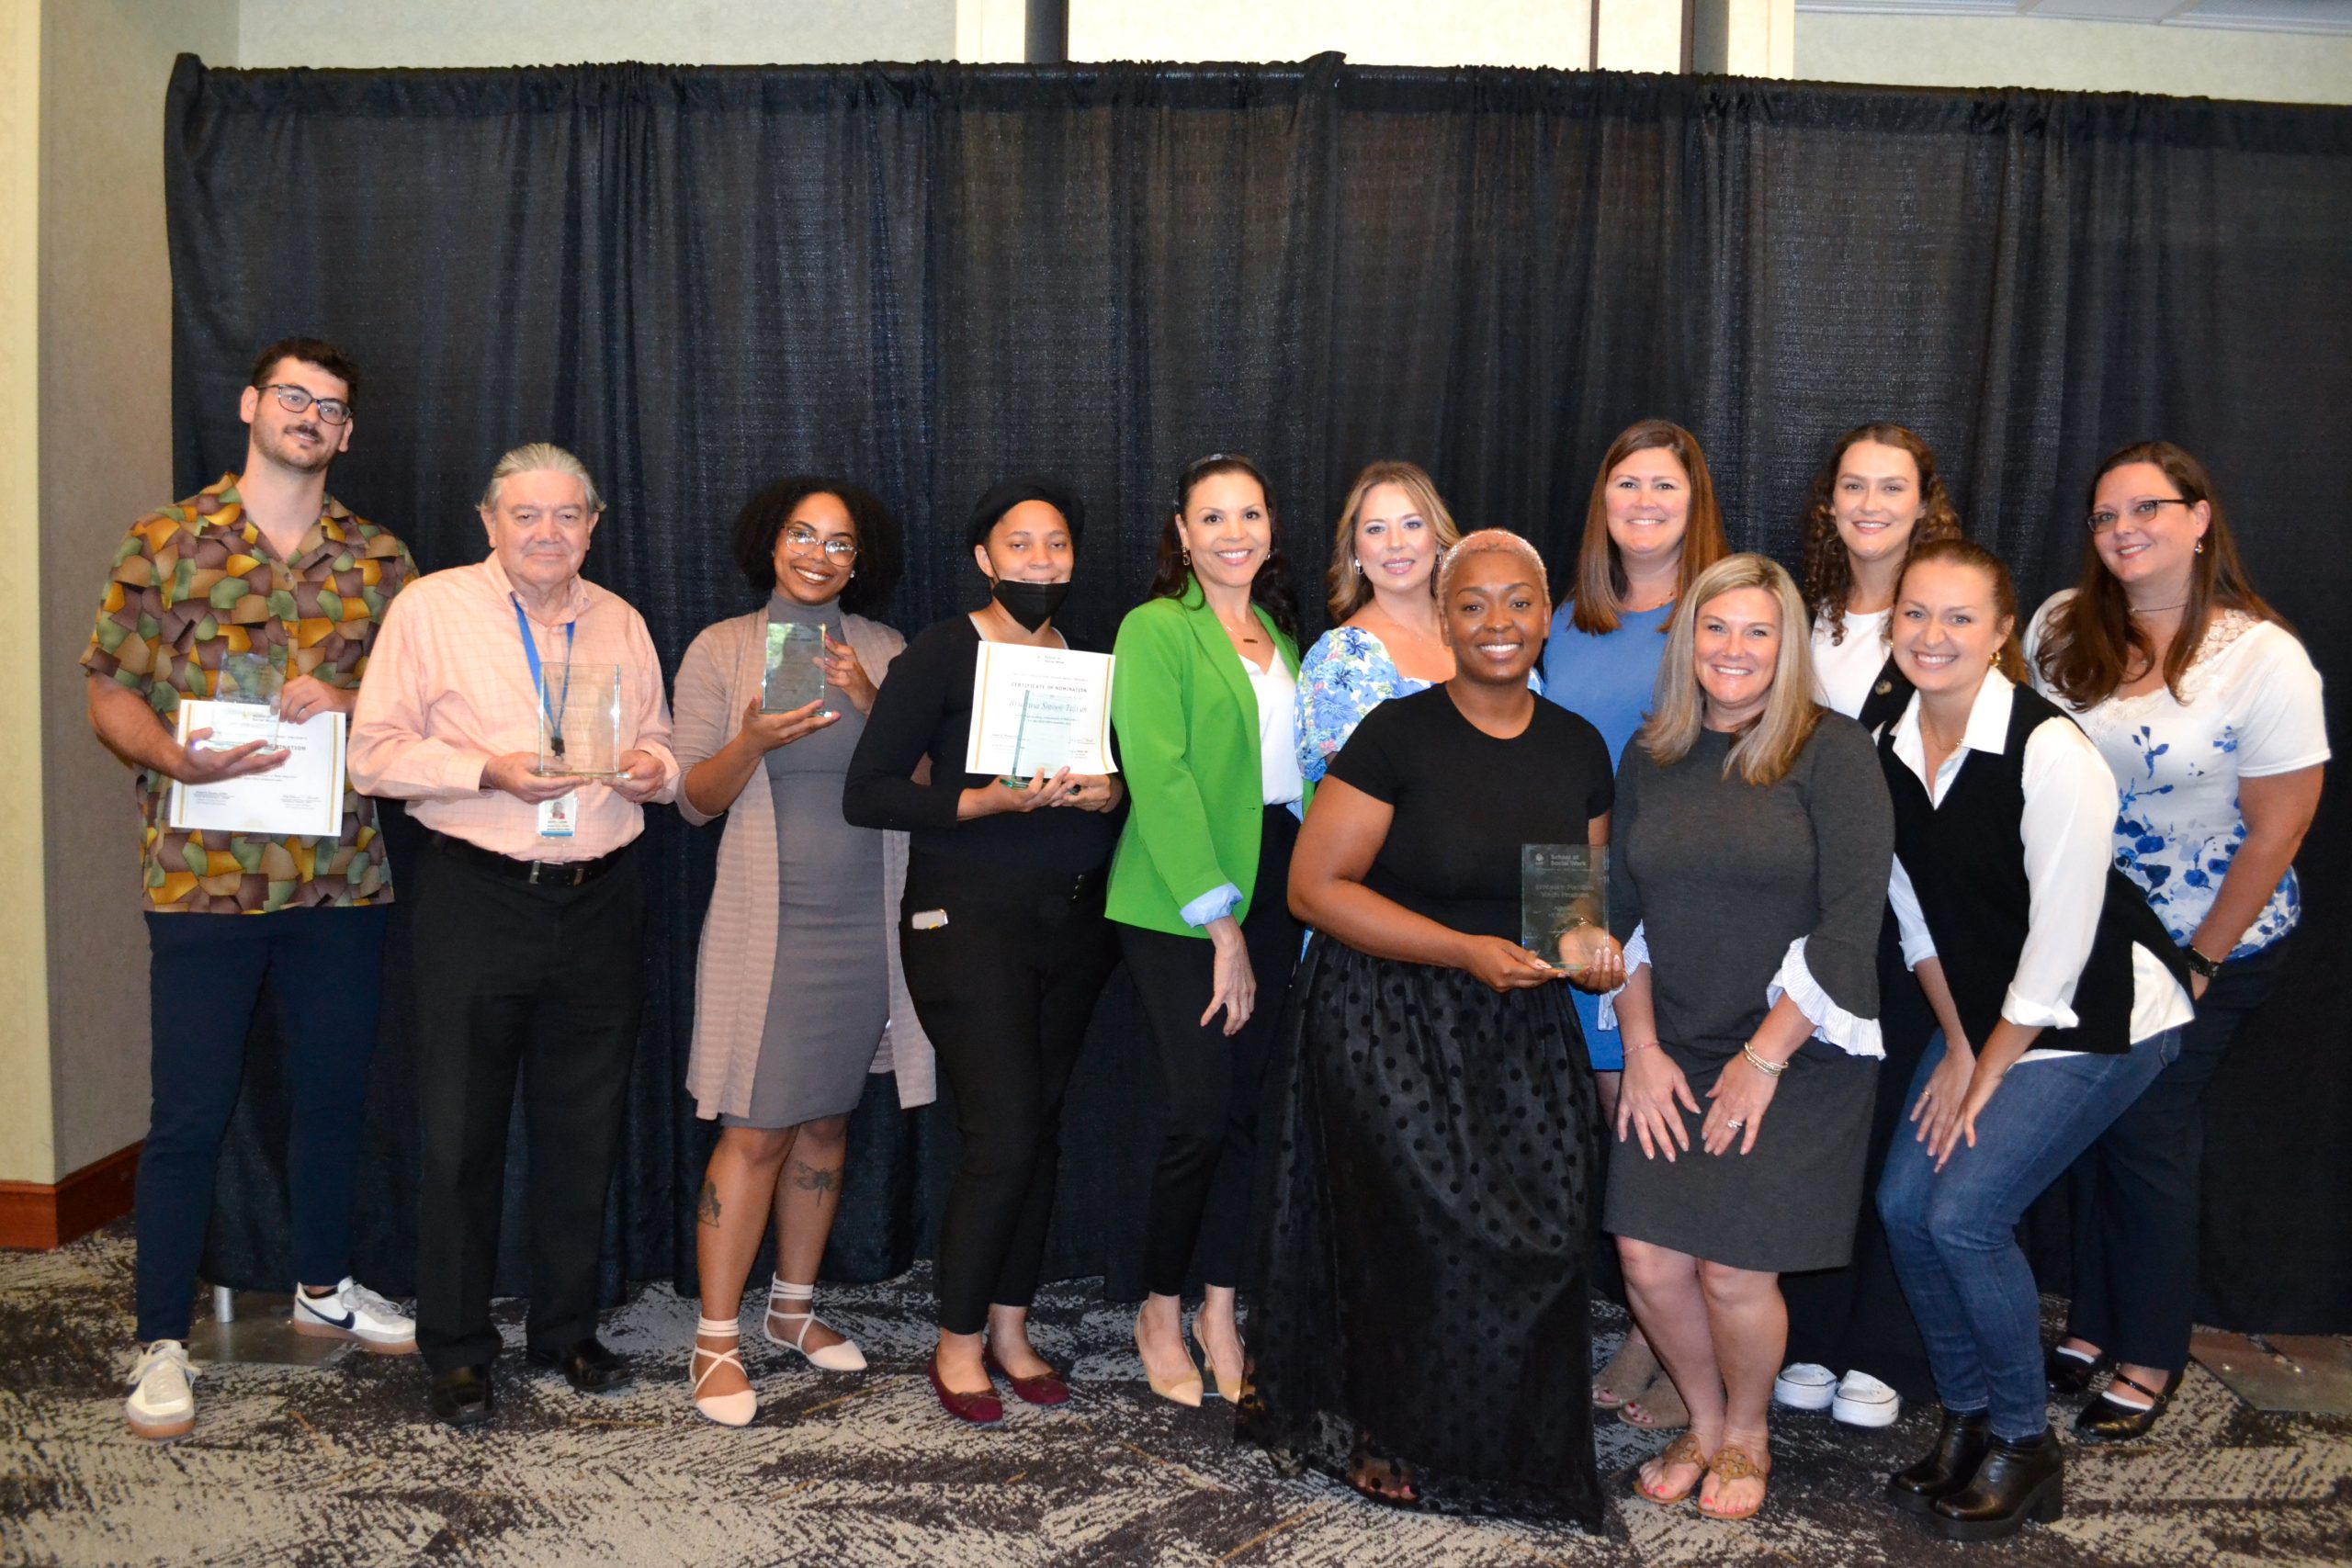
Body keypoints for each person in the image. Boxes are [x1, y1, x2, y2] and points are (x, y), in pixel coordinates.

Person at [1242, 531, 1622, 1525]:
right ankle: (1384, 1427)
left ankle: (1492, 1433)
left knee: (1540, 1233)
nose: (1496, 624)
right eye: (1473, 606)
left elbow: (1566, 906)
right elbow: (1314, 889)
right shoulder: (1397, 737)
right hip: (1383, 1012)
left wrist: (1589, 947)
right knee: (1408, 1234)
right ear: (1444, 621)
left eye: (1517, 603)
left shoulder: (1576, 745)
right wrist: (1460, 950)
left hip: (1518, 1017)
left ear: (1547, 614)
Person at [84, 337, 422, 1440]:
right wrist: (174, 760)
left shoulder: (381, 560)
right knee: (188, 1118)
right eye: (293, 397)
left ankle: (324, 1282)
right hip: (200, 882)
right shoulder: (167, 542)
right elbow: (110, 691)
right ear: (250, 405)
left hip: (339, 882)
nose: (309, 416)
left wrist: (354, 699)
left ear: (348, 432)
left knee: (332, 1098)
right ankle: (161, 1342)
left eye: (330, 405)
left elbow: (426, 707)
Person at [348, 443, 679, 1429]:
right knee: (459, 1132)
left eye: (567, 516)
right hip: (477, 894)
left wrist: (650, 770)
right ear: (489, 522)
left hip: (601, 894)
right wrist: (486, 770)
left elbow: (664, 741)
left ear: (593, 524)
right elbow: (373, 755)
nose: (547, 533)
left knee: (585, 1126)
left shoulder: (619, 618)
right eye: (526, 515)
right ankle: (455, 1347)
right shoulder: (431, 609)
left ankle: (567, 1329)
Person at [1875, 538, 2193, 1541]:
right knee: (1900, 1206)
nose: (1933, 636)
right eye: (1915, 614)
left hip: (2096, 1017)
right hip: (1983, 1013)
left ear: (2002, 632)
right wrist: (1960, 1047)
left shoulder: (2050, 752)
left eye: (1959, 618)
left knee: (1963, 1216)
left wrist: (1987, 1067)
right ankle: (1965, 1420)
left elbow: (2060, 947)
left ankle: (2025, 1443)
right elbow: (1912, 916)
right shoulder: (1880, 734)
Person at [2030, 442, 2327, 1440]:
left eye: (2146, 509)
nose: (2122, 529)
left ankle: (2149, 1351)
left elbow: (2281, 824)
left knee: (2148, 1135)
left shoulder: (2261, 656)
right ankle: (2092, 1321)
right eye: (2105, 514)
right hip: (2084, 935)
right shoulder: (2059, 628)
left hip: (2216, 944)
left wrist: (2200, 958)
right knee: (2086, 1133)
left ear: (2199, 520)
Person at [1604, 553, 1894, 1522]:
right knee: (1646, 1257)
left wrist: (1763, 1060)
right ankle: (1701, 1417)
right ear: (1688, 640)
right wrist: (1640, 1052)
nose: (1733, 649)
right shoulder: (1651, 754)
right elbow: (1620, 919)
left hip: (1798, 1045)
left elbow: (1853, 923)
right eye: (1715, 629)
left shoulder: (1834, 751)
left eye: (1756, 631)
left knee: (1731, 1264)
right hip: (1674, 1040)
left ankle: (1748, 1432)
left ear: (1787, 647)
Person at [842, 478, 1125, 1426]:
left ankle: (1011, 1329)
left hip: (1074, 929)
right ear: (984, 558)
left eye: (1055, 545)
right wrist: (983, 800)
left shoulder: (1088, 665)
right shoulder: (943, 650)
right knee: (1001, 1132)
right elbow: (870, 791)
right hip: (964, 925)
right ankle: (956, 1342)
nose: (1039, 562)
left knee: (1036, 1133)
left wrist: (1105, 795)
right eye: (1020, 545)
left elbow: (1112, 786)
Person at [669, 477, 931, 1427]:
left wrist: (871, 698)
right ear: (767, 542)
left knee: (827, 1122)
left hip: (868, 921)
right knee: (753, 1128)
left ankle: (791, 1312)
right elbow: (693, 798)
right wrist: (749, 740)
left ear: (861, 561)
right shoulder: (723, 648)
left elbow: (928, 785)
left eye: (840, 543)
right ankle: (712, 1339)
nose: (819, 554)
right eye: (800, 535)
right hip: (767, 923)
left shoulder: (887, 649)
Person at [1537, 418, 1730, 1431]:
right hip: (1573, 892)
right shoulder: (1564, 620)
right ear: (1601, 506)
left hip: (1680, 893)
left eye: (1664, 486)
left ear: (1693, 502)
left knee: (1661, 1119)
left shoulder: (1722, 614)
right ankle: (1645, 1322)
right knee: (1612, 1122)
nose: (1644, 504)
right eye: (1626, 487)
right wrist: (1560, 920)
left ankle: (1669, 1332)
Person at [1776, 423, 1964, 1428]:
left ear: (1923, 501)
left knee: (1896, 1125)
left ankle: (1883, 1342)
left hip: (1911, 920)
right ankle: (1808, 1330)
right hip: (1810, 911)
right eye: (1853, 485)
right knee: (1819, 1122)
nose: (1869, 503)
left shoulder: (1943, 619)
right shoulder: (1801, 618)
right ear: (1829, 501)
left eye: (1892, 486)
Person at [1107, 452, 1306, 1409]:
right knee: (1194, 1112)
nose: (1235, 532)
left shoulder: (1281, 635)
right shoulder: (1155, 630)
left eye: (1251, 514)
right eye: (1213, 517)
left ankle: (1220, 1307)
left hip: (1278, 882)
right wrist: (1219, 924)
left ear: (1271, 528)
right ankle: (1156, 1305)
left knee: (1248, 1115)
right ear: (1181, 534)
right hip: (1182, 897)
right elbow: (1160, 771)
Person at [1293, 461, 1461, 781]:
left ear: (1438, 539)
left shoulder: (1482, 632)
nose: (1395, 543)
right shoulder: (1343, 657)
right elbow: (1361, 796)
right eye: (1376, 529)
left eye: (1412, 524)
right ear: (1355, 550)